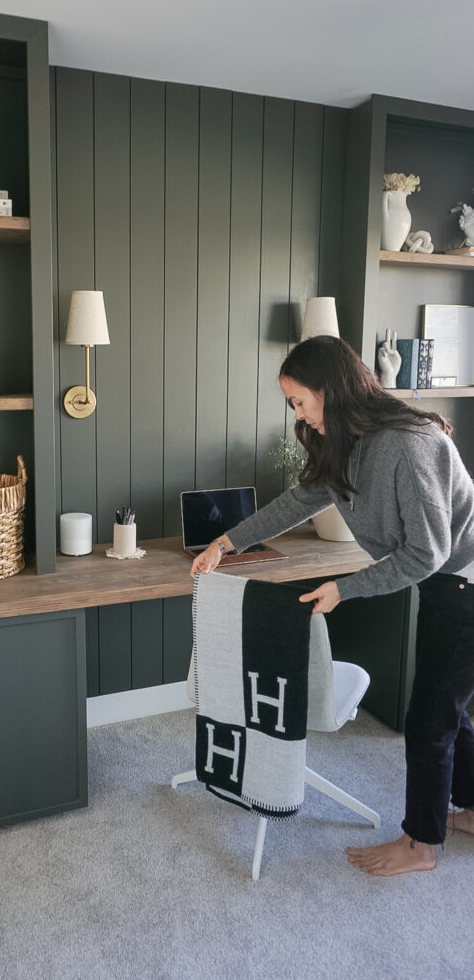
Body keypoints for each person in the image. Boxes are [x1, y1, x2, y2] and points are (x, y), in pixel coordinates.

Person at [190, 335, 474, 877]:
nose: (297, 413)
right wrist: (227, 543)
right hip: (444, 581)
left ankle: (421, 845)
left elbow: (427, 550)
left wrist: (346, 587)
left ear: (332, 389)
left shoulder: (406, 445)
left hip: (464, 580)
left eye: (300, 400)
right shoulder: (349, 442)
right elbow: (300, 499)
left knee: (430, 718)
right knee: (448, 706)